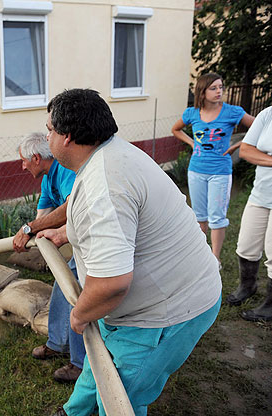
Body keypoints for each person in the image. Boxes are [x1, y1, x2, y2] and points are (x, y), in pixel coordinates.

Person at [39, 89, 221, 416]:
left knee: (121, 392)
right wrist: (64, 231)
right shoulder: (108, 155)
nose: (47, 136)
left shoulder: (104, 184)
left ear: (67, 137)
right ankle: (74, 412)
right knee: (101, 360)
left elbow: (112, 284)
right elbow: (120, 223)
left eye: (49, 130)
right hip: (157, 294)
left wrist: (78, 316)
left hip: (167, 311)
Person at [13, 132, 86, 383]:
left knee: (76, 295)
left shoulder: (64, 170)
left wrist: (29, 228)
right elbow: (41, 218)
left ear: (35, 158)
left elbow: (71, 208)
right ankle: (57, 344)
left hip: (90, 240)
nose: (22, 166)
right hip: (78, 242)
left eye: (23, 161)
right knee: (62, 286)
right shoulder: (47, 180)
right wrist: (25, 234)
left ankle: (79, 363)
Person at [171, 73, 254, 267]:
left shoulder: (233, 112)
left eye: (221, 87)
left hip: (220, 173)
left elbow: (259, 126)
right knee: (200, 216)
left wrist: (238, 145)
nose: (219, 92)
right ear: (203, 91)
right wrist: (192, 143)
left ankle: (215, 258)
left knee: (217, 216)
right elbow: (175, 129)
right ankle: (202, 254)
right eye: (214, 88)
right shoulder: (192, 113)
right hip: (196, 171)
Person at [228, 106, 272, 321]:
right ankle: (247, 287)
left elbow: (255, 152)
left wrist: (262, 156)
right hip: (260, 194)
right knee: (246, 245)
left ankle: (270, 306)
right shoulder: (267, 115)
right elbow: (245, 150)